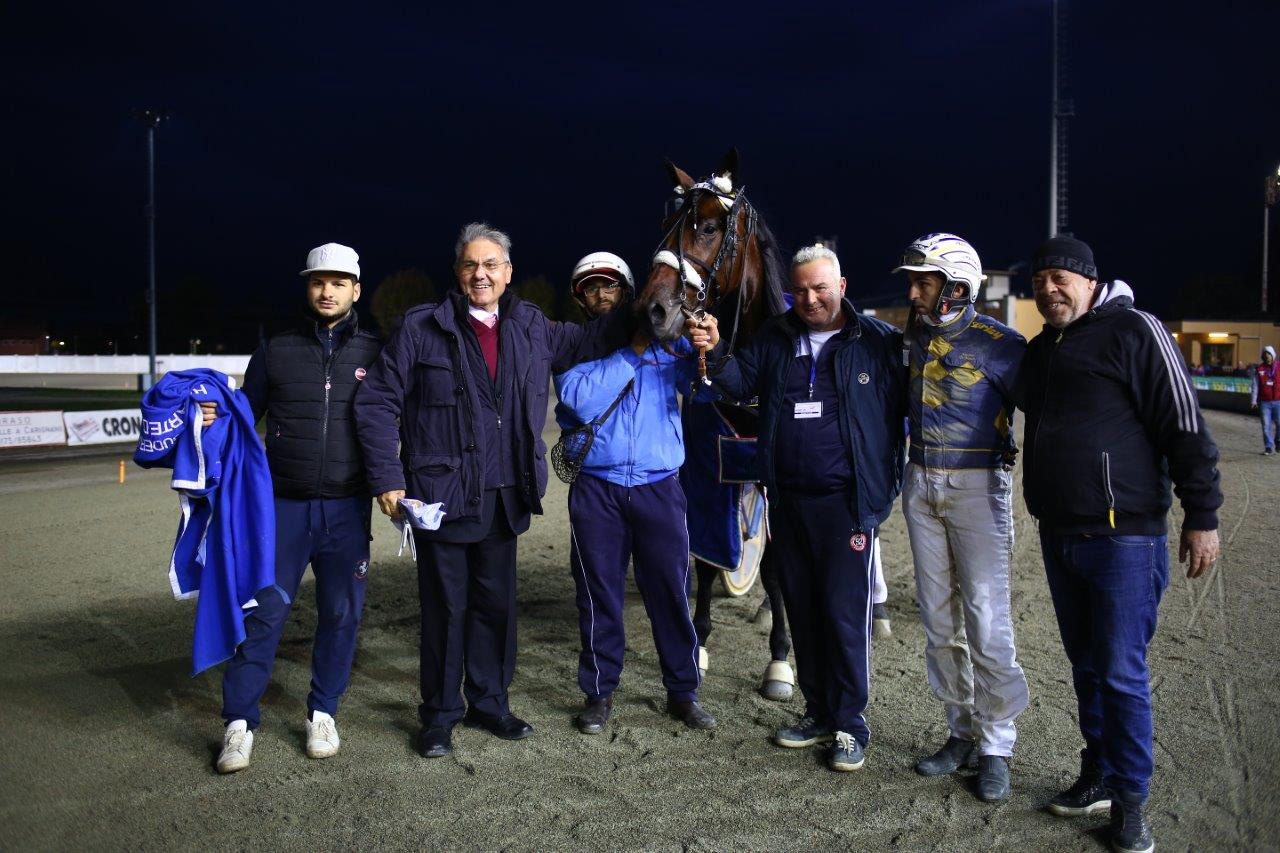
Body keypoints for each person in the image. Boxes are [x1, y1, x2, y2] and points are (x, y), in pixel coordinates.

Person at [353, 223, 633, 759]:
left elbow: (594, 337)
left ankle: (490, 703)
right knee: (446, 611)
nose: (480, 275)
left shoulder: (532, 326)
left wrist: (656, 294)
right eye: (470, 265)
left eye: (491, 266)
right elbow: (376, 402)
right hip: (445, 497)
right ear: (458, 273)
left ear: (507, 274)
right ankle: (438, 716)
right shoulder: (421, 327)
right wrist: (388, 478)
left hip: (507, 498)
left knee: (496, 609)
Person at [1018, 235, 1222, 853]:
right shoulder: (1041, 351)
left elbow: (1183, 422)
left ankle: (1132, 806)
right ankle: (1100, 772)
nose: (1049, 290)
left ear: (1088, 279)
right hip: (1060, 535)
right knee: (1086, 667)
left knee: (1121, 672)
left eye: (1061, 278)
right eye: (1039, 281)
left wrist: (1202, 514)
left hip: (1123, 540)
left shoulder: (1136, 330)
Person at [688, 244, 906, 773]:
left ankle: (851, 726)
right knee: (804, 613)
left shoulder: (878, 344)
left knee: (843, 617)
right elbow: (737, 384)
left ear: (842, 286)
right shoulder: (777, 338)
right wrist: (715, 350)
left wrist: (884, 488)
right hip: (786, 500)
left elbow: (904, 414)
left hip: (846, 506)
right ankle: (816, 713)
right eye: (802, 289)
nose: (810, 298)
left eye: (820, 288)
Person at [204, 242, 382, 773]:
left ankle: (323, 711)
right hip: (281, 508)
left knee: (341, 614)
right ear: (307, 287)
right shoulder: (277, 348)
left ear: (356, 289)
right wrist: (216, 414)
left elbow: (396, 419)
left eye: (337, 282)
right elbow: (244, 416)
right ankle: (238, 722)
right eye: (316, 282)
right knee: (262, 614)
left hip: (348, 509)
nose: (326, 291)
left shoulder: (378, 350)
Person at [893, 233, 1029, 801]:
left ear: (956, 286)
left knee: (986, 618)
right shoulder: (910, 337)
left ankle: (997, 742)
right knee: (938, 618)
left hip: (978, 487)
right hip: (920, 481)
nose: (914, 291)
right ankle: (961, 730)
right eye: (915, 281)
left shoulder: (1006, 345)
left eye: (924, 282)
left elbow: (1052, 415)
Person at [554, 251, 714, 734]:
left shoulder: (671, 342)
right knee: (597, 593)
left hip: (659, 486)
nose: (600, 295)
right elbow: (579, 401)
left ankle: (682, 691)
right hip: (596, 489)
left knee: (670, 591)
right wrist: (634, 350)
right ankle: (600, 693)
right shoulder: (572, 346)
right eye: (589, 288)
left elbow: (706, 391)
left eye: (609, 286)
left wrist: (708, 346)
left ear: (630, 293)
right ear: (579, 298)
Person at [1251, 346, 1279, 455]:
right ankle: (1269, 447)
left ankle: (1278, 442)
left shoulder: (1279, 367)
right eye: (1265, 355)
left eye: (1269, 355)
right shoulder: (1259, 369)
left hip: (1278, 401)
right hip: (1264, 402)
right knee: (1266, 425)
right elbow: (1255, 385)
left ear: (1273, 355)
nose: (1267, 357)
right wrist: (1253, 400)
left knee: (1279, 423)